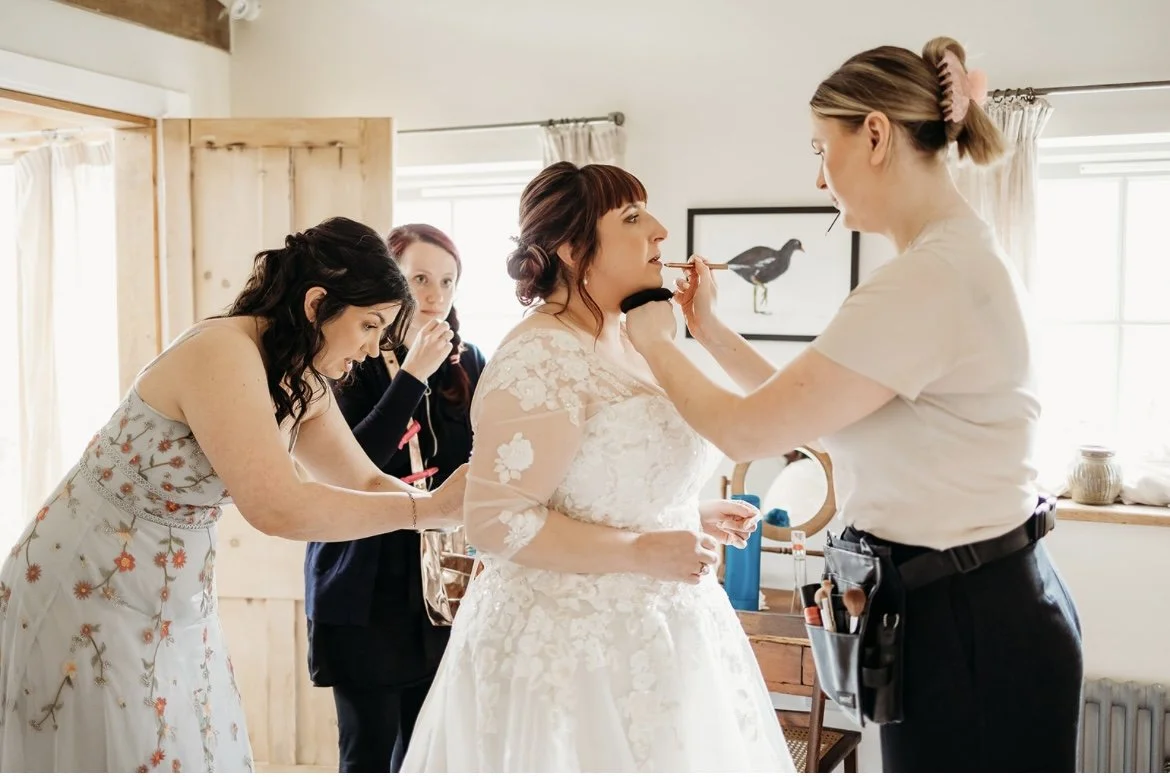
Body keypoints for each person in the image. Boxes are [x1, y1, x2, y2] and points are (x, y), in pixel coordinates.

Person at [623, 37, 1083, 773]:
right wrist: (707, 329)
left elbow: (749, 427)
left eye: (820, 148)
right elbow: (813, 412)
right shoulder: (950, 261)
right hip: (979, 603)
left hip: (969, 623)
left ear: (874, 134)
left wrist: (653, 340)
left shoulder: (927, 282)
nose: (817, 177)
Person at [0, 216, 466, 772]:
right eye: (369, 326)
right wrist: (428, 509)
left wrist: (451, 516)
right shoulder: (222, 351)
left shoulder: (299, 377)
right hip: (88, 582)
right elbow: (277, 506)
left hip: (171, 592)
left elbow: (363, 478)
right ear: (318, 304)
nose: (371, 350)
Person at [400, 162, 796, 773]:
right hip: (568, 653)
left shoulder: (639, 335)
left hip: (669, 632)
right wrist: (641, 549)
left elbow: (587, 482)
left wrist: (683, 513)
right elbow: (496, 523)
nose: (661, 232)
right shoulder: (538, 356)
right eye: (633, 218)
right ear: (571, 246)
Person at [304, 224, 487, 772]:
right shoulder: (346, 360)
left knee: (429, 747)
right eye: (420, 279)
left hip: (441, 582)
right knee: (369, 750)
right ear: (391, 283)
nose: (435, 295)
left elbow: (484, 462)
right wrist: (410, 376)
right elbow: (347, 467)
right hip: (363, 579)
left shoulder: (470, 362)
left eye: (448, 282)